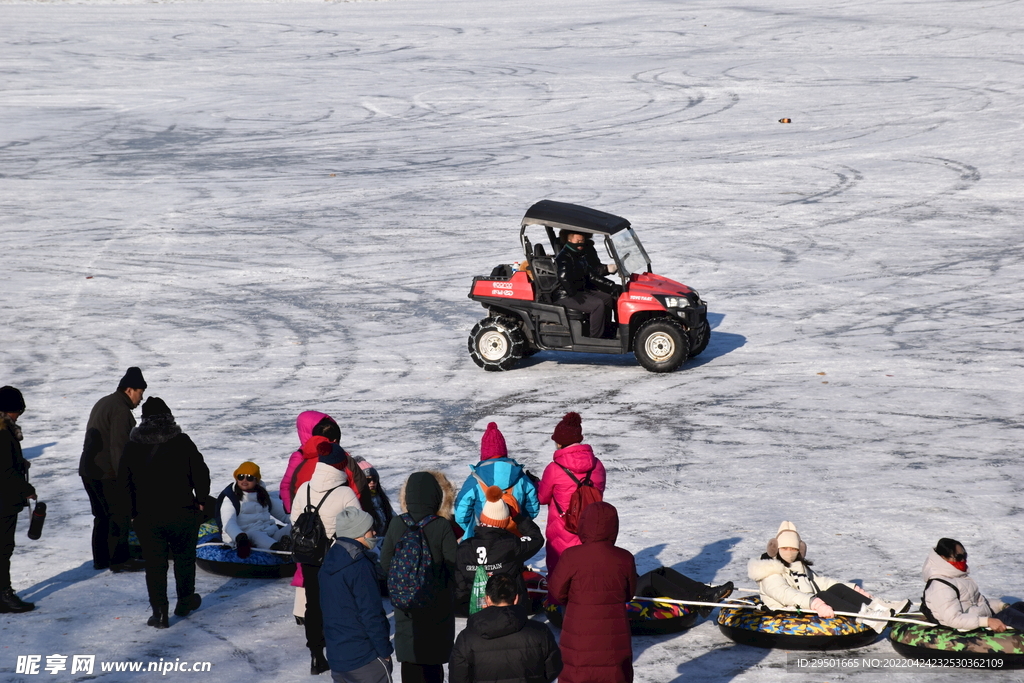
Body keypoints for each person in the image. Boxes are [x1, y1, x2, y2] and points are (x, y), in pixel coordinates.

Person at [119, 397, 210, 628]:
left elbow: (123, 483)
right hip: (182, 513)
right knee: (184, 560)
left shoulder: (132, 446)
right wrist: (201, 500)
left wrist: (131, 513)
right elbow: (201, 473)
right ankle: (185, 602)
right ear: (169, 418)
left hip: (147, 517)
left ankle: (159, 613)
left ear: (144, 420)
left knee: (155, 565)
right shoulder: (182, 441)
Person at [748, 522, 910, 634]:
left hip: (807, 603)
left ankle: (877, 607)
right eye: (785, 548)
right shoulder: (768, 571)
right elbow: (785, 594)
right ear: (775, 549)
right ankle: (866, 617)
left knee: (835, 589)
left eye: (793, 548)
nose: (790, 552)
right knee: (823, 596)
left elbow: (819, 582)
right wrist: (815, 603)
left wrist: (853, 589)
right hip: (787, 611)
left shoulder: (798, 566)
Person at [381, 472, 458, 683]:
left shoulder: (397, 523)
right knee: (433, 666)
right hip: (436, 608)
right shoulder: (441, 526)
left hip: (406, 605)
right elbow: (454, 567)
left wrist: (403, 582)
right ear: (435, 496)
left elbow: (385, 562)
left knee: (410, 662)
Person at [548, 502, 637, 683]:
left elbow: (557, 592)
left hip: (578, 634)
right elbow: (629, 593)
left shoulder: (571, 556)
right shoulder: (624, 558)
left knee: (577, 674)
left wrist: (574, 600)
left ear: (584, 524)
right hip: (614, 637)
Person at [291, 444, 360, 674]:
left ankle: (316, 655)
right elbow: (357, 526)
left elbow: (294, 520)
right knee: (339, 605)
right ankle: (340, 651)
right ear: (340, 466)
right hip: (336, 557)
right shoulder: (345, 493)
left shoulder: (304, 488)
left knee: (313, 605)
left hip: (309, 556)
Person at [80, 366, 148, 573]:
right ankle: (119, 560)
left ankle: (101, 559)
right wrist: (126, 480)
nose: (141, 399)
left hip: (89, 471)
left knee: (101, 516)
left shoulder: (104, 401)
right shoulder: (121, 410)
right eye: (140, 393)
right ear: (129, 390)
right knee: (119, 515)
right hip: (107, 473)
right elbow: (120, 449)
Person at [320, 507, 393, 683]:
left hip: (338, 657)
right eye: (370, 529)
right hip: (365, 659)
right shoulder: (359, 565)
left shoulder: (327, 562)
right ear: (358, 532)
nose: (374, 532)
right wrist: (384, 651)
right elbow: (371, 614)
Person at [449, 573, 562, 683]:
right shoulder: (541, 632)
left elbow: (457, 677)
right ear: (516, 598)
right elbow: (553, 669)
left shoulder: (466, 638)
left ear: (487, 599)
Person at [537, 412, 606, 577]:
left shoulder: (554, 469)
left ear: (560, 443)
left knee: (561, 575)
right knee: (587, 574)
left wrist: (537, 484)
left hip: (562, 529)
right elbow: (598, 493)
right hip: (591, 529)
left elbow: (542, 498)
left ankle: (557, 602)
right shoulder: (597, 465)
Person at [454, 490, 544, 616]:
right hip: (510, 608)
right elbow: (536, 539)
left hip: (473, 608)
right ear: (505, 521)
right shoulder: (511, 544)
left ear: (483, 517)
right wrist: (518, 518)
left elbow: (460, 582)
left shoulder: (464, 547)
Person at [453, 423, 539, 540]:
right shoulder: (521, 477)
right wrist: (520, 524)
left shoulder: (474, 479)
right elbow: (532, 507)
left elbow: (461, 513)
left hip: (483, 538)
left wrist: (473, 528)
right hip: (514, 537)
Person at [921, 538, 1024, 632]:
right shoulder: (940, 586)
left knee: (1019, 606)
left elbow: (978, 603)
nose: (963, 560)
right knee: (1008, 615)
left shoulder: (958, 578)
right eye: (959, 557)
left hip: (977, 617)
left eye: (964, 556)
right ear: (943, 558)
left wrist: (1000, 605)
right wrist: (987, 621)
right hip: (968, 625)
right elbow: (953, 619)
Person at [0, 386, 37, 613]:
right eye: (17, 411)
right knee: (3, 548)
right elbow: (5, 471)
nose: (18, 416)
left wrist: (19, 463)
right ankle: (4, 595)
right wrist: (27, 488)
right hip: (3, 501)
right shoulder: (3, 434)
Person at [216, 462, 291, 556]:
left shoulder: (263, 496)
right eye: (240, 476)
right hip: (246, 537)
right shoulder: (231, 498)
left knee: (296, 527)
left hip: (270, 534)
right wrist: (240, 537)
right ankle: (280, 551)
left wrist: (303, 522)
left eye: (249, 478)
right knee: (256, 534)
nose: (244, 480)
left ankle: (297, 547)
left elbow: (284, 515)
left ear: (256, 480)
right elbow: (229, 523)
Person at [554, 231, 619, 338]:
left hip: (580, 291)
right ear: (569, 240)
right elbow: (563, 277)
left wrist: (611, 285)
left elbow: (592, 275)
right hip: (566, 295)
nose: (580, 244)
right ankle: (596, 337)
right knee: (597, 305)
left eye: (582, 241)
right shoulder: (564, 257)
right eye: (577, 241)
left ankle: (606, 331)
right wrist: (572, 293)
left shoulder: (579, 256)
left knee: (607, 298)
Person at [354, 457, 394, 537]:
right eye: (368, 480)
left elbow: (393, 517)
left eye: (374, 479)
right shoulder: (357, 501)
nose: (372, 482)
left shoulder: (382, 498)